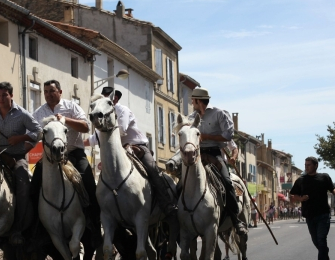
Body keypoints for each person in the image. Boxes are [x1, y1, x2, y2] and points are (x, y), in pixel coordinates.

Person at [85, 88, 177, 217]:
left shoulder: (123, 111)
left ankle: (167, 202)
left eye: (105, 99)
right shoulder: (102, 120)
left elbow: (121, 130)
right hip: (117, 151)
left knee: (152, 168)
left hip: (137, 146)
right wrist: (80, 144)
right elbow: (95, 138)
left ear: (114, 99)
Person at [31, 79, 101, 238]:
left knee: (89, 184)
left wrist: (65, 119)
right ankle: (36, 227)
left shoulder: (71, 106)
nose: (48, 94)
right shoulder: (39, 113)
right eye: (46, 91)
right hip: (49, 157)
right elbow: (33, 134)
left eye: (52, 91)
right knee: (33, 187)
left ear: (60, 92)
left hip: (74, 153)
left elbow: (85, 127)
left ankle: (95, 225)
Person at [188, 88, 247, 235]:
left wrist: (207, 136)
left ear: (198, 101)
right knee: (182, 182)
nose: (191, 102)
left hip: (215, 153)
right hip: (197, 154)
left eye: (193, 100)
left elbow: (228, 135)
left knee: (227, 182)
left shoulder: (218, 114)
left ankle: (235, 219)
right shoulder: (190, 118)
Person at [0, 82, 42, 244]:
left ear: (11, 95)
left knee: (23, 186)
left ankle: (19, 228)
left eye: (4, 95)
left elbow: (38, 131)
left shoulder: (22, 114)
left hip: (16, 158)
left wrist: (21, 139)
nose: (1, 98)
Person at [290, 156, 335, 260]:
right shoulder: (301, 180)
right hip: (309, 216)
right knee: (316, 241)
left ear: (315, 166)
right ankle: (324, 254)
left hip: (323, 214)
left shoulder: (324, 177)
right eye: (305, 164)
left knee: (321, 239)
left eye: (309, 165)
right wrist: (301, 198)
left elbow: (332, 188)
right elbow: (293, 195)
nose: (306, 167)